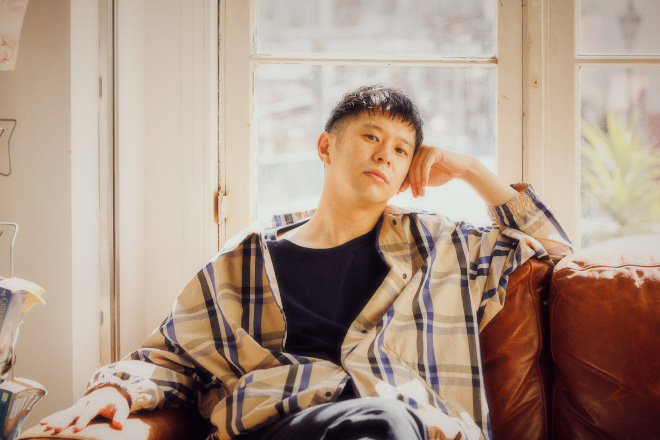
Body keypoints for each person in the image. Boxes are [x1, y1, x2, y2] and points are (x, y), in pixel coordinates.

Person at [41, 85, 573, 440]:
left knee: (389, 420)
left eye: (402, 149)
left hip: (408, 427)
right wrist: (113, 389)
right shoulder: (246, 260)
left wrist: (472, 170)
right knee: (383, 420)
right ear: (325, 147)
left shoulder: (441, 247)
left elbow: (554, 254)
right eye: (372, 137)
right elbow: (171, 356)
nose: (385, 154)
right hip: (282, 425)